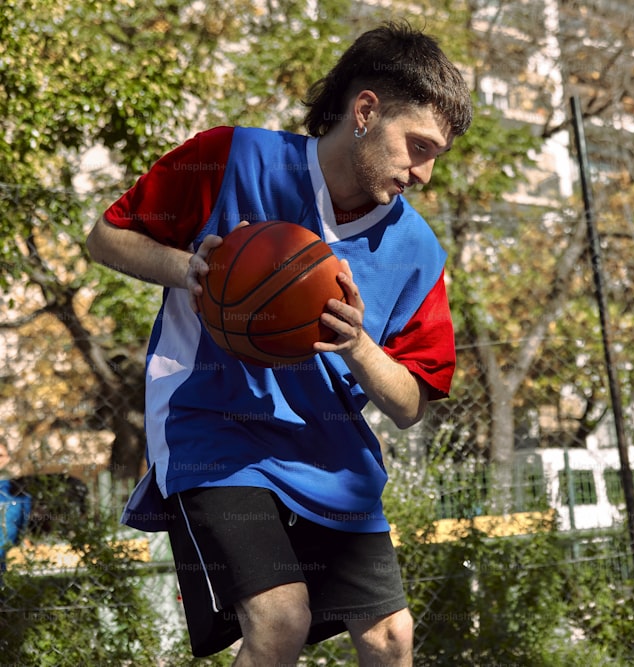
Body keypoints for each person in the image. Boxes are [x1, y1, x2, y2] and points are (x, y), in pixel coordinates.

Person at [86, 22, 472, 666]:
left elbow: (410, 405)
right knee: (279, 617)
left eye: (438, 155)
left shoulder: (418, 252)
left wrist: (358, 347)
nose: (425, 173)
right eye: (418, 146)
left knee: (391, 635)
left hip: (331, 454)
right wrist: (188, 269)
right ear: (367, 111)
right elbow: (105, 238)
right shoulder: (231, 157)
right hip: (214, 427)